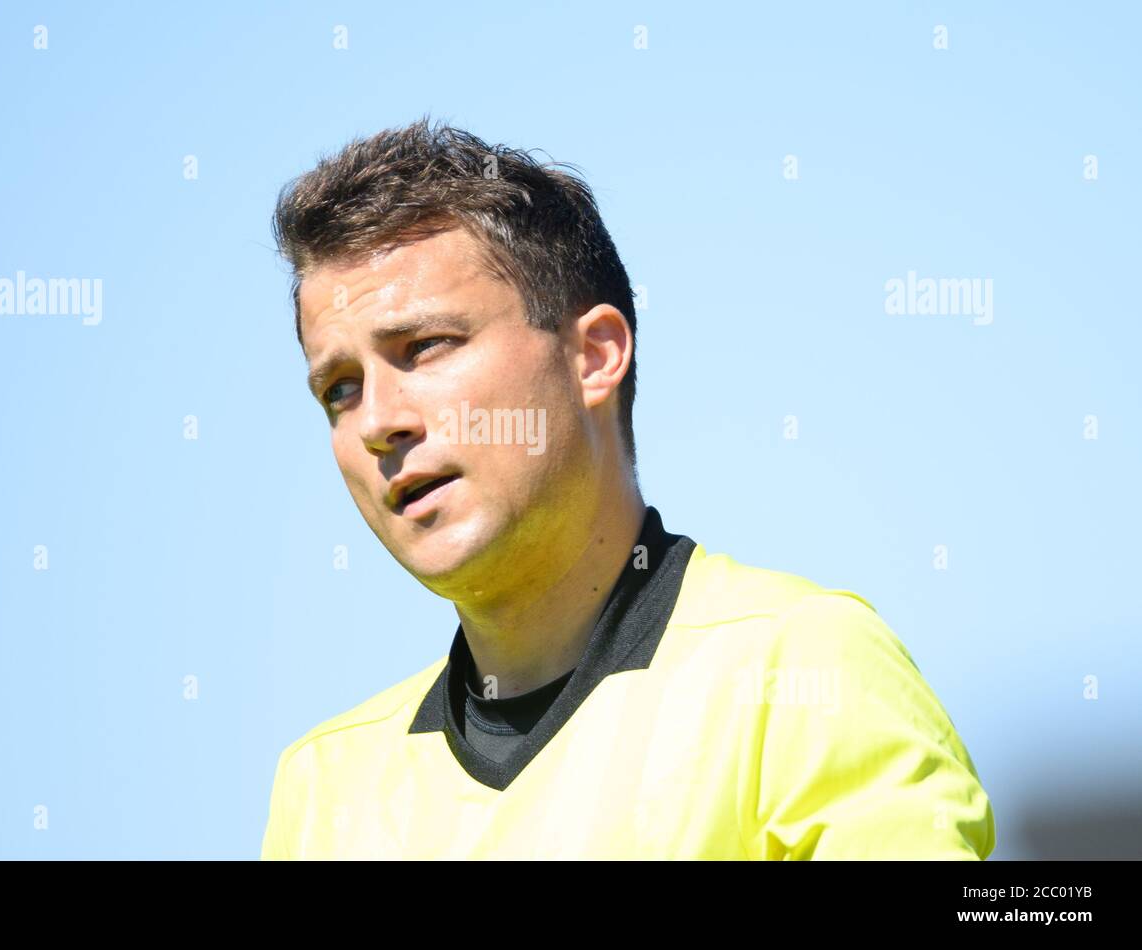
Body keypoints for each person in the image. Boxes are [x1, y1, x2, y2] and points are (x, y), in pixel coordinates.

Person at [260, 116, 996, 859]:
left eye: (425, 347)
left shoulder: (799, 668)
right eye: (340, 390)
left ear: (594, 356)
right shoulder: (324, 786)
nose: (379, 421)